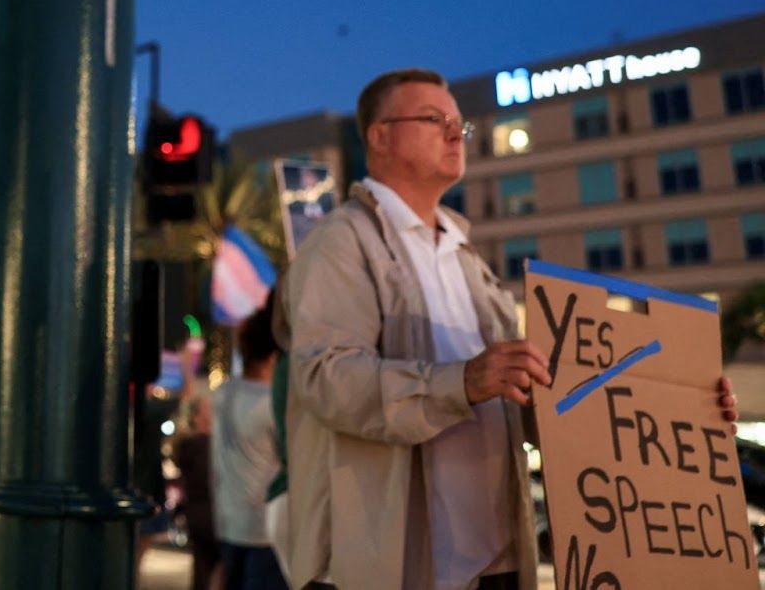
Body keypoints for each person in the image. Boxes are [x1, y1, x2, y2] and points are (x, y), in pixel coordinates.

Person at [279, 68, 740, 590]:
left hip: (496, 561)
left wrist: (681, 414)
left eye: (459, 124)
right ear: (379, 137)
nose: (455, 134)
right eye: (433, 119)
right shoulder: (340, 243)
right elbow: (326, 379)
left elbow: (532, 399)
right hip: (399, 566)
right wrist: (463, 382)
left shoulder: (468, 260)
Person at [212, 301, 285, 590]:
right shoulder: (272, 404)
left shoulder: (223, 394)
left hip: (228, 521)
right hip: (264, 529)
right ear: (274, 357)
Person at [170, 391, 219, 590]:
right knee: (214, 565)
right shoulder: (202, 446)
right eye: (209, 409)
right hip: (208, 511)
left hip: (197, 510)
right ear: (197, 416)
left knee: (202, 566)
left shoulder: (188, 445)